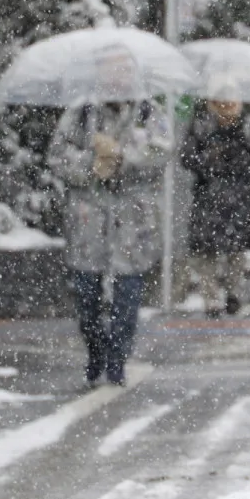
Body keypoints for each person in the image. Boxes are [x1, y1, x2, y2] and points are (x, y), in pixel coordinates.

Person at [49, 97, 172, 387]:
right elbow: (57, 156)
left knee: (128, 295)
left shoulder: (148, 113)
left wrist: (123, 155)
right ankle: (96, 350)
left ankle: (117, 359)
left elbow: (162, 152)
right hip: (88, 221)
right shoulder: (80, 113)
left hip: (132, 222)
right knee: (86, 296)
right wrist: (91, 164)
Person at [178, 93, 250, 317]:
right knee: (206, 250)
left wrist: (237, 159)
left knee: (236, 249)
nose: (226, 106)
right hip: (208, 196)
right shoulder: (201, 124)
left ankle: (233, 291)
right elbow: (187, 157)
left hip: (238, 197)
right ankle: (211, 299)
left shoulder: (247, 126)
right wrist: (209, 159)